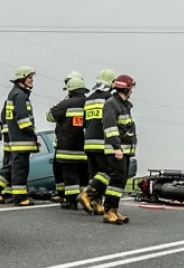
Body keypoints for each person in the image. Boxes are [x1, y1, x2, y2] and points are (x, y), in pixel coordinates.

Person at [79, 74, 136, 225]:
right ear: (126, 89)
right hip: (117, 149)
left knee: (119, 181)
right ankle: (108, 211)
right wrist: (117, 148)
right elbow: (110, 127)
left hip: (125, 149)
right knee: (115, 180)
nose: (132, 91)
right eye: (131, 88)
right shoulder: (112, 104)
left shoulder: (124, 105)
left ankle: (113, 210)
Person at [0, 66, 38, 205]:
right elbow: (23, 120)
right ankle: (20, 198)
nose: (32, 80)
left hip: (16, 139)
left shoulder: (14, 94)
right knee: (20, 169)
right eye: (29, 77)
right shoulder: (20, 95)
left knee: (15, 167)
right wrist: (33, 134)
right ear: (22, 79)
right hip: (21, 139)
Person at [47, 71, 89, 209]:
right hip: (86, 147)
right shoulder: (90, 103)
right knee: (84, 175)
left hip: (68, 148)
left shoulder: (67, 103)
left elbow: (50, 116)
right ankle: (86, 199)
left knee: (70, 175)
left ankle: (71, 201)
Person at [81, 70, 115, 216]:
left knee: (94, 174)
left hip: (88, 142)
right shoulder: (109, 98)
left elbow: (83, 122)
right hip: (102, 142)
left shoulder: (88, 99)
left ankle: (97, 204)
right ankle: (87, 195)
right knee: (106, 173)